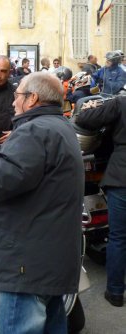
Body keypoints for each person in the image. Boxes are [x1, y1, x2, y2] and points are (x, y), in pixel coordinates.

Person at [0, 72, 84, 333]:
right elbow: (20, 165)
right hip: (47, 258)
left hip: (26, 264)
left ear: (32, 99)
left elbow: (3, 177)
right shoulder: (58, 125)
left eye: (17, 95)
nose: (12, 101)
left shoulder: (36, 130)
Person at [75, 96, 126, 307]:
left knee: (118, 236)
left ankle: (115, 292)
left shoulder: (120, 103)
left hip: (121, 176)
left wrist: (89, 107)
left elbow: (86, 120)